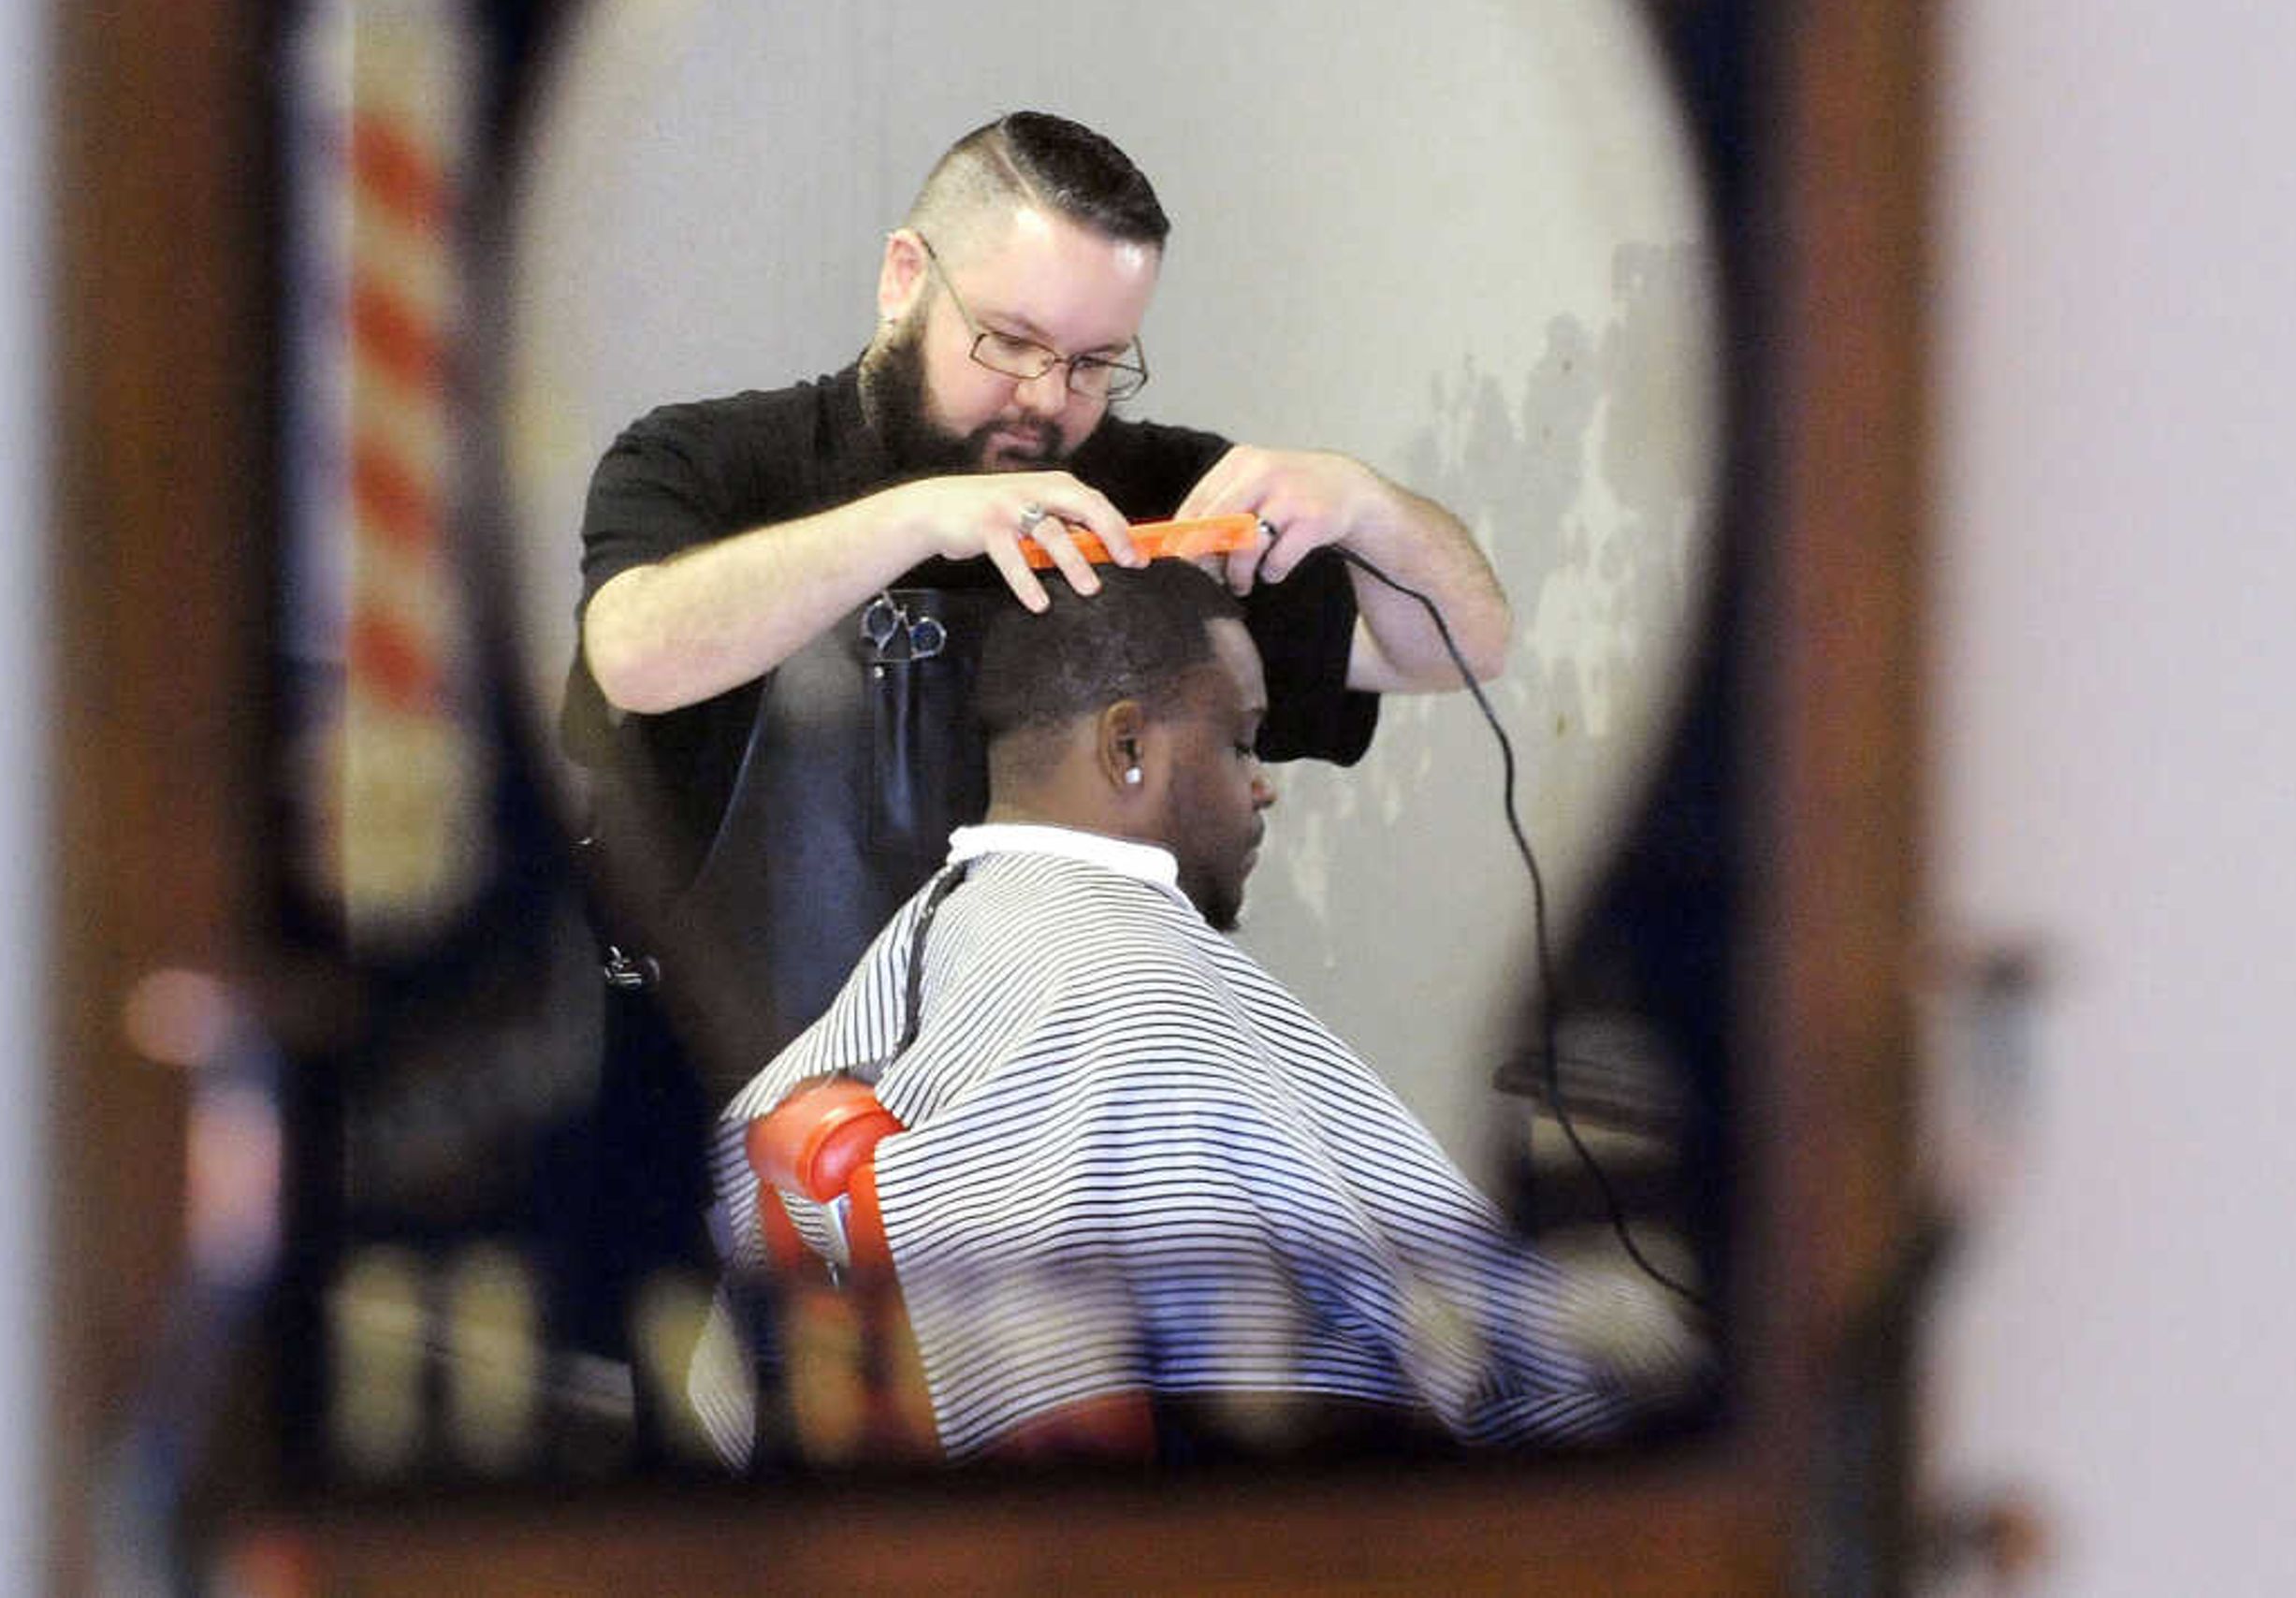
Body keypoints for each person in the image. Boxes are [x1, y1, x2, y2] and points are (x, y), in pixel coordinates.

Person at [685, 561, 1693, 1466]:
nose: (1264, 788)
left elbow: (730, 1363)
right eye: (1242, 739)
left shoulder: (915, 958)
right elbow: (1474, 1342)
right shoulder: (1150, 1000)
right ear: (1127, 744)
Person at [569, 109, 1511, 1070]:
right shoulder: (706, 461)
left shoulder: (1163, 498)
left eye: (1095, 362)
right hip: (720, 1111)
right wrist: (921, 517)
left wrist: (1366, 506)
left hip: (1041, 1103)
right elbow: (636, 654)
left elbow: (1455, 650)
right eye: (1009, 341)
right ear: (905, 279)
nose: (1046, 397)